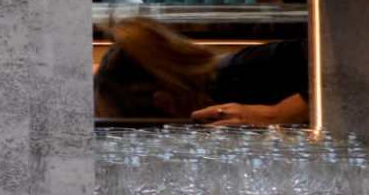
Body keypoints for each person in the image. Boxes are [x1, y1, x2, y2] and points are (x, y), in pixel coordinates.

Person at [93, 14, 312, 128]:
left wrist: (277, 115)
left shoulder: (247, 69)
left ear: (164, 103)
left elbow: (340, 62)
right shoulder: (216, 91)